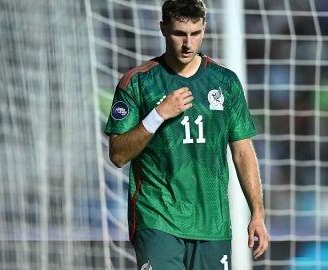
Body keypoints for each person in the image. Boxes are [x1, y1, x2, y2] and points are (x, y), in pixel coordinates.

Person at [105, 0, 269, 268]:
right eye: (179, 33)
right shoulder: (137, 82)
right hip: (157, 217)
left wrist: (258, 213)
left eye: (195, 33)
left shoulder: (225, 82)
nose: (188, 43)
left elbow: (242, 151)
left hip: (212, 223)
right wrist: (158, 114)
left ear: (204, 28)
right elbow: (118, 155)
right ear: (162, 29)